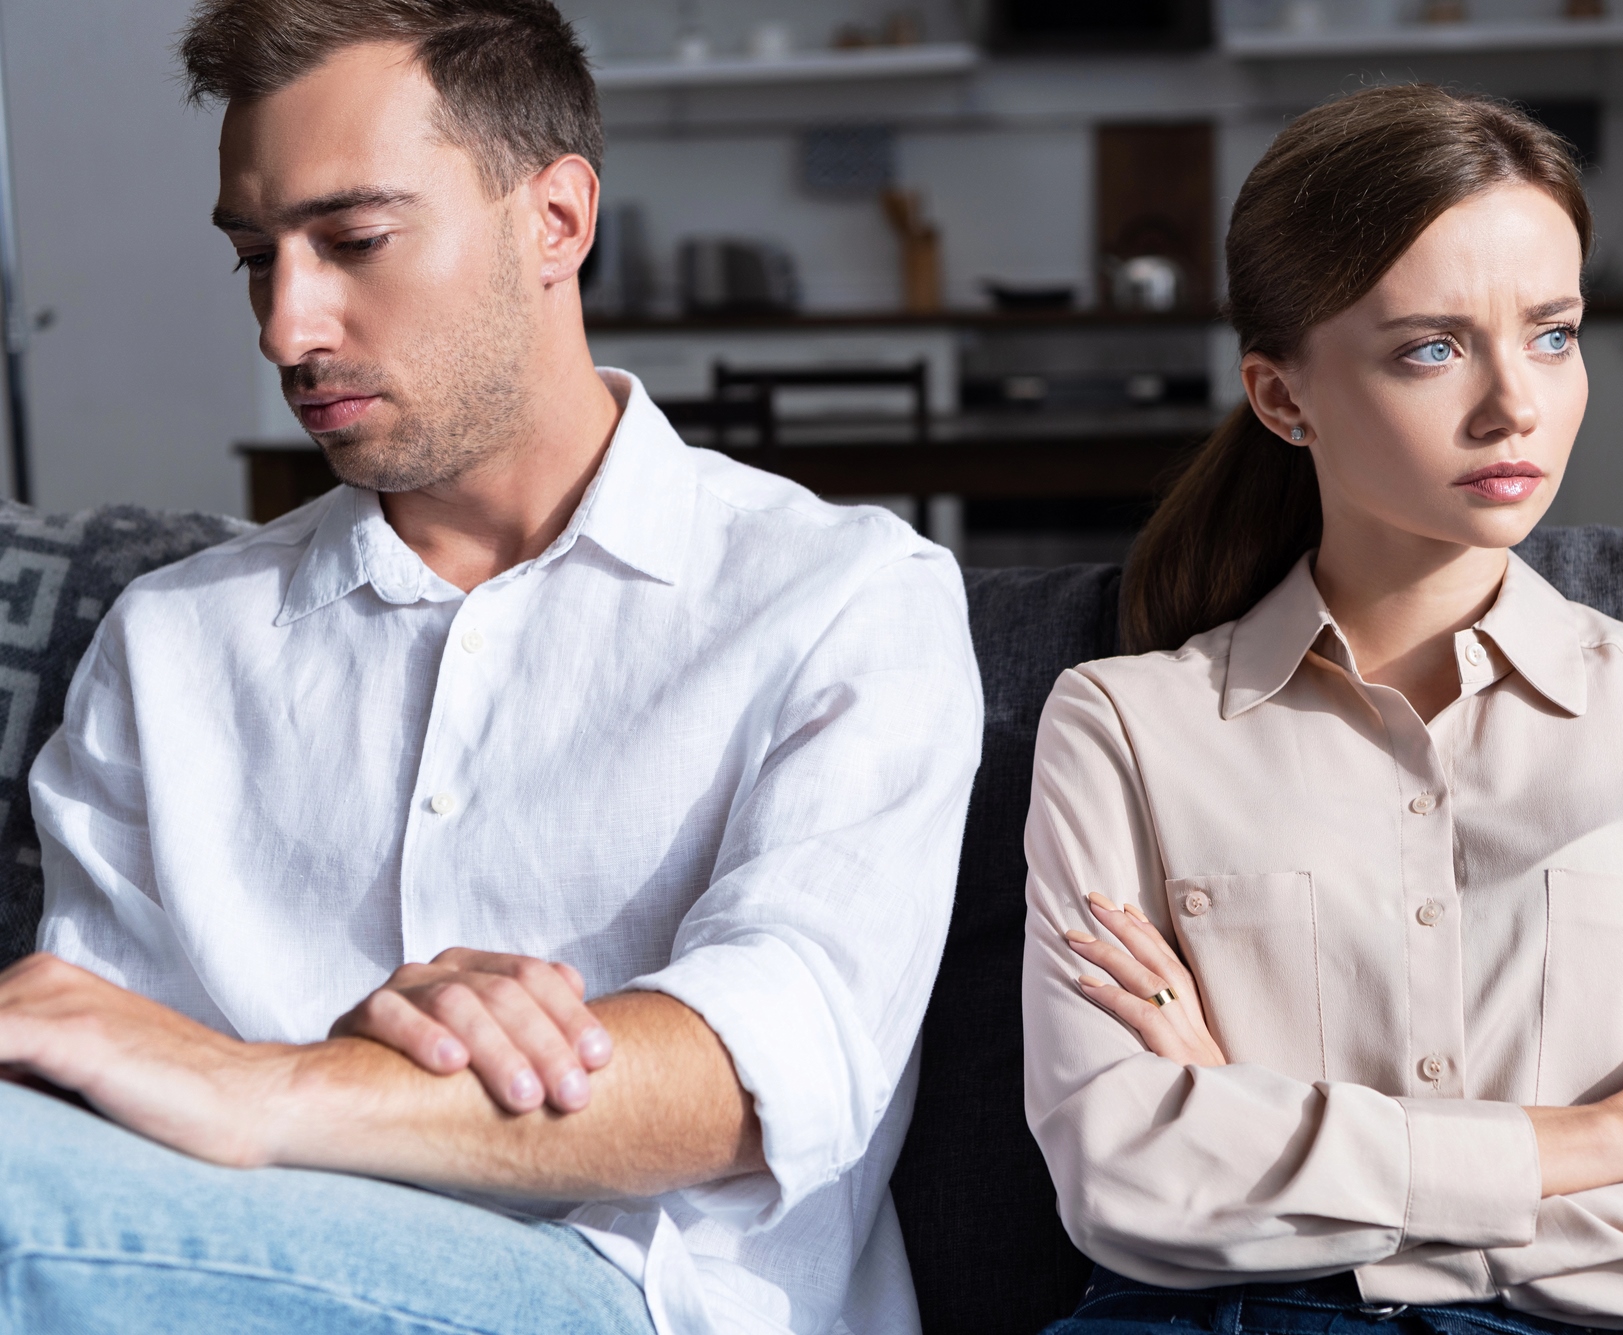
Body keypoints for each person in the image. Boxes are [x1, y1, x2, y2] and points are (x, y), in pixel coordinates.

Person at [0, 3, 982, 1333]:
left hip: (629, 1292)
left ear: (556, 221)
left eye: (355, 240)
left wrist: (274, 1086)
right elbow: (98, 1081)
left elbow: (758, 1074)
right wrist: (297, 1073)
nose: (288, 327)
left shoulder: (842, 598)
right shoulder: (173, 639)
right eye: (253, 258)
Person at [1022, 85, 1623, 1335]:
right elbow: (1125, 1182)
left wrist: (1271, 1165)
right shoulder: (1125, 728)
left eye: (1552, 334)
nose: (1512, 405)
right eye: (1430, 346)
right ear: (1279, 396)